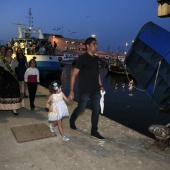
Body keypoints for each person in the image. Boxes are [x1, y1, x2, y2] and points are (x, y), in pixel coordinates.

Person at [68, 37, 105, 140]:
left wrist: (101, 85)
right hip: (84, 89)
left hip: (95, 89)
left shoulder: (96, 59)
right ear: (87, 46)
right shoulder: (82, 58)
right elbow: (74, 75)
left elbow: (97, 74)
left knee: (96, 110)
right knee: (81, 108)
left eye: (96, 44)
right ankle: (72, 119)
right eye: (94, 44)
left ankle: (94, 131)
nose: (96, 46)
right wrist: (71, 91)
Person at [0, 47, 24, 115]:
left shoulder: (15, 61)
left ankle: (14, 109)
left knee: (14, 94)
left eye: (10, 52)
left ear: (12, 53)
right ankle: (4, 107)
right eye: (8, 52)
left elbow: (17, 72)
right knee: (5, 93)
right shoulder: (2, 61)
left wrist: (19, 80)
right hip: (5, 79)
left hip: (13, 80)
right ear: (6, 52)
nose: (9, 53)